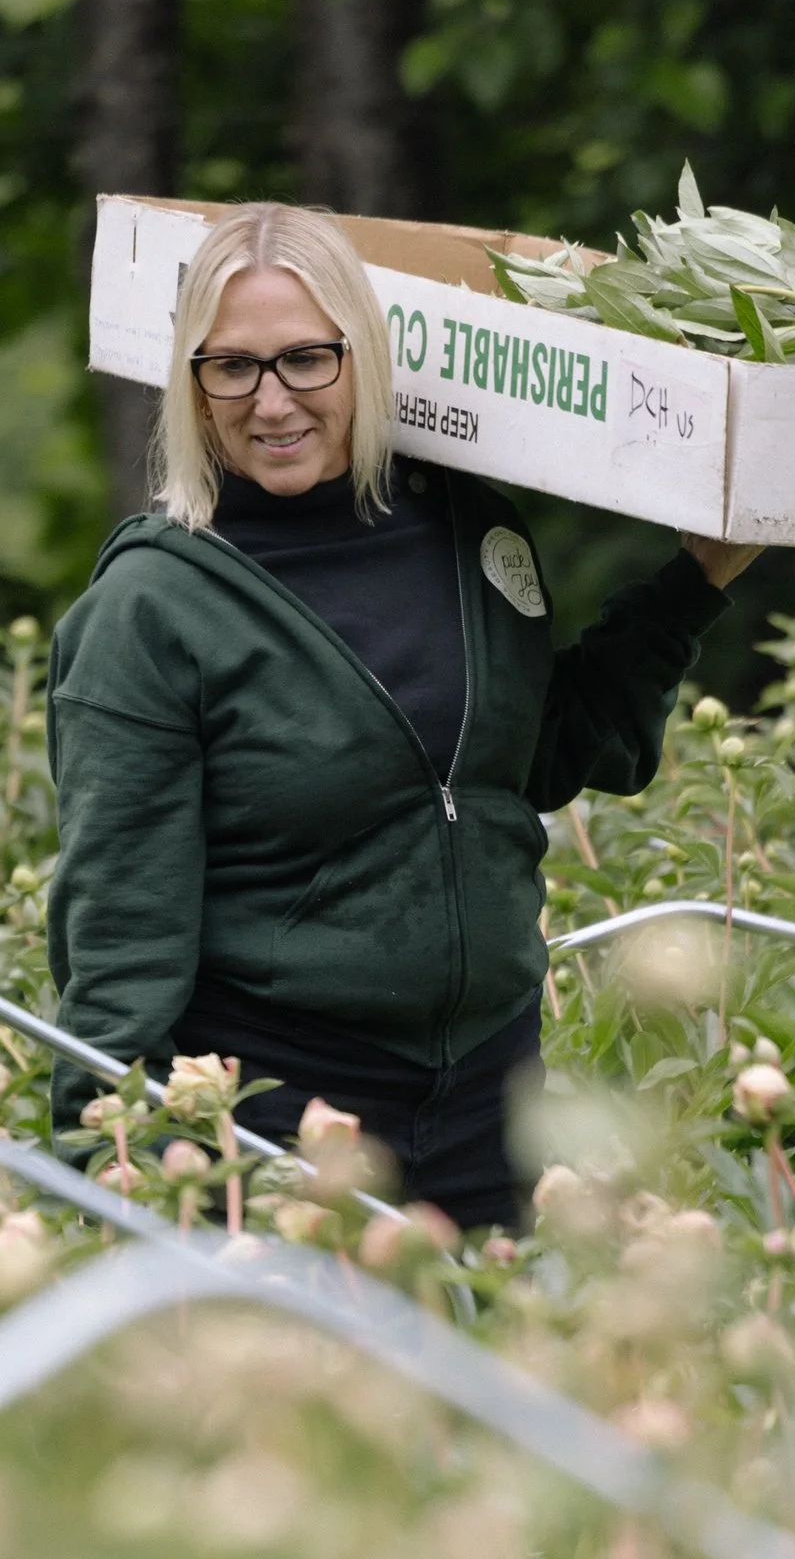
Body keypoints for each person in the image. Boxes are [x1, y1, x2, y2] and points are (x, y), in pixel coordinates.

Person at [45, 199, 755, 1230]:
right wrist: (108, 1154)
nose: (270, 400)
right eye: (230, 366)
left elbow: (530, 754)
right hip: (280, 1109)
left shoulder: (464, 533)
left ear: (362, 357)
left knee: (495, 1383)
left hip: (488, 1098)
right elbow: (117, 921)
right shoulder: (152, 609)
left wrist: (696, 580)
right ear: (190, 384)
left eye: (304, 360)